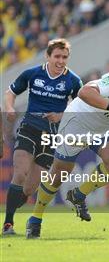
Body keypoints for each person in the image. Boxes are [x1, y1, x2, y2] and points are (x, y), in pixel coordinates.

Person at [25, 60, 109, 239]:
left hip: (104, 128)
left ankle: (78, 194)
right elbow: (84, 92)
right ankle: (35, 218)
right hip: (78, 122)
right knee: (59, 174)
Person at [2, 39, 83, 235]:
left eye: (64, 57)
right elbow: (10, 92)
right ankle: (8, 224)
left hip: (52, 137)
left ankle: (14, 204)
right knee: (19, 173)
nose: (61, 61)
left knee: (29, 189)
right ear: (48, 56)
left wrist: (60, 116)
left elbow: (82, 109)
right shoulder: (32, 74)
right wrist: (10, 107)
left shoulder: (73, 81)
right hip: (29, 128)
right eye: (57, 56)